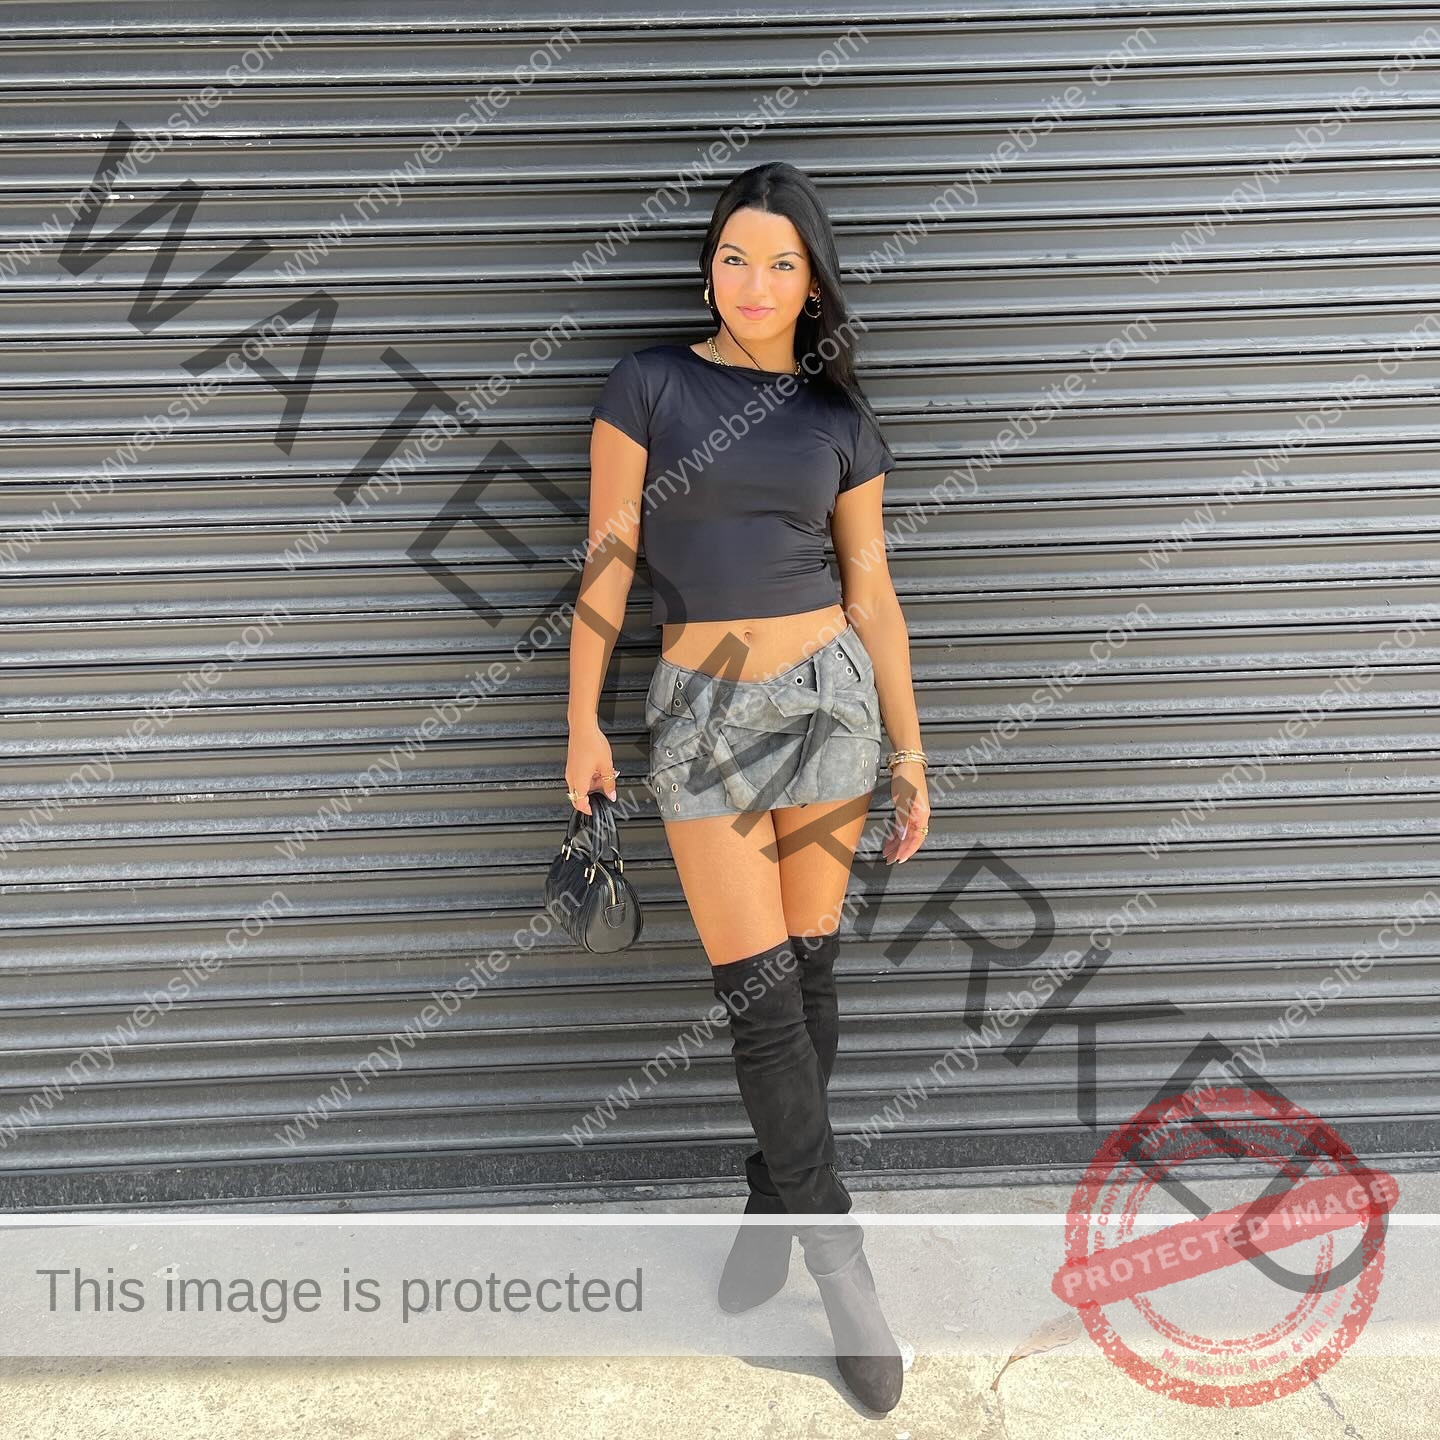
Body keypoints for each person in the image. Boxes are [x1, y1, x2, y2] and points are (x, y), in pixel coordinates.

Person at [565, 160, 929, 1414]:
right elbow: (609, 565)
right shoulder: (649, 384)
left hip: (831, 702)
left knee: (812, 975)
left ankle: (772, 1207)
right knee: (763, 998)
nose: (757, 283)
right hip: (704, 712)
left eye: (783, 263)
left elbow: (873, 592)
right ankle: (846, 1276)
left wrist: (912, 754)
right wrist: (584, 725)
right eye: (735, 258)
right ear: (707, 267)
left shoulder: (840, 415)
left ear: (813, 276)